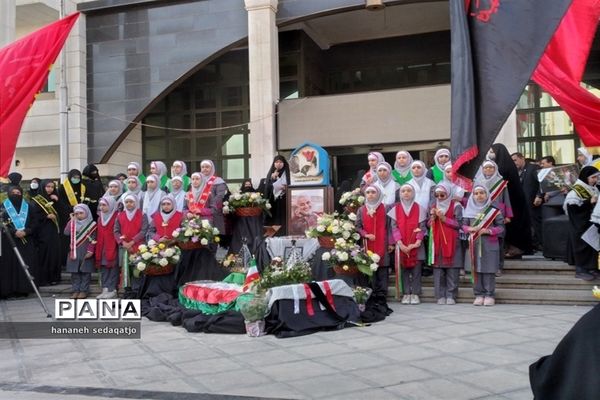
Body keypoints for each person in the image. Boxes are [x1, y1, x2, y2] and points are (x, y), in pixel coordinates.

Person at [462, 185, 505, 306]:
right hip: (473, 244)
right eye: (476, 193)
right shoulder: (468, 210)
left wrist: (489, 231)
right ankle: (478, 294)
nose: (479, 195)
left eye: (482, 193)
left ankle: (489, 294)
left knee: (489, 270)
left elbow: (501, 228)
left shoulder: (494, 211)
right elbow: (463, 226)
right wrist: (469, 228)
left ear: (487, 195)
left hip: (489, 244)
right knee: (475, 270)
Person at [490, 143, 532, 257]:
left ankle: (515, 249)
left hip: (512, 201)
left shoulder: (503, 166)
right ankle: (511, 248)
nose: (491, 154)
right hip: (511, 200)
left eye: (492, 151)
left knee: (513, 225)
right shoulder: (505, 164)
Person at [389, 183, 426, 305]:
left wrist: (417, 242)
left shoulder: (420, 208)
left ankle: (415, 293)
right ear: (400, 194)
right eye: (403, 191)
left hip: (417, 245)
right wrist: (400, 244)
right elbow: (394, 228)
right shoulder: (395, 209)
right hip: (401, 246)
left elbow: (422, 227)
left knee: (416, 271)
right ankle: (406, 293)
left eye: (409, 190)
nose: (406, 193)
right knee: (404, 270)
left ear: (413, 193)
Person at [141, 195, 183, 298]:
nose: (166, 206)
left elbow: (183, 231)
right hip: (159, 247)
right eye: (163, 204)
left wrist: (174, 240)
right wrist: (158, 238)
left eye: (168, 204)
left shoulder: (180, 216)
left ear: (173, 204)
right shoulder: (156, 216)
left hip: (176, 247)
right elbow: (150, 231)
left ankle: (173, 291)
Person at [428, 182, 463, 305]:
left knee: (452, 271)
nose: (439, 198)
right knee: (438, 271)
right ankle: (440, 296)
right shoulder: (433, 206)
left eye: (442, 195)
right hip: (438, 241)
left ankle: (451, 295)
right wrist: (432, 219)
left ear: (448, 194)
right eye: (437, 195)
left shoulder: (456, 206)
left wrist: (444, 219)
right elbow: (429, 225)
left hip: (452, 241)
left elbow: (459, 224)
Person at [0, 186, 38, 298]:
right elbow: (1, 223)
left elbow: (35, 222)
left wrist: (26, 231)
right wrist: (13, 231)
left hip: (26, 241)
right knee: (9, 265)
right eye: (13, 192)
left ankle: (23, 289)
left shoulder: (29, 207)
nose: (16, 194)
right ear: (8, 193)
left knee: (24, 264)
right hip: (9, 241)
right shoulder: (3, 206)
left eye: (18, 192)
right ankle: (9, 290)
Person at [564, 166, 600, 281]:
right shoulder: (576, 191)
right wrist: (589, 202)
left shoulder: (593, 188)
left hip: (591, 224)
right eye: (593, 177)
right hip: (579, 225)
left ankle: (592, 268)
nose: (595, 180)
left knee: (593, 246)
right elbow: (573, 211)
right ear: (585, 177)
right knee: (582, 247)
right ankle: (581, 270)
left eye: (597, 177)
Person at [355, 185, 389, 297]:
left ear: (378, 194)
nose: (370, 194)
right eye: (368, 192)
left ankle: (383, 294)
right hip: (367, 243)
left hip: (383, 242)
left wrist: (392, 243)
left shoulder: (386, 208)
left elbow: (390, 226)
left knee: (383, 268)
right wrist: (366, 235)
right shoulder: (361, 209)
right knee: (370, 267)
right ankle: (372, 293)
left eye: (373, 192)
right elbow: (358, 226)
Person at [114, 194, 148, 296]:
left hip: (138, 246)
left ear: (136, 203)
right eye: (127, 202)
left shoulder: (142, 215)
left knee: (137, 268)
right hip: (124, 247)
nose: (129, 204)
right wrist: (123, 243)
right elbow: (116, 231)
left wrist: (132, 242)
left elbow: (144, 230)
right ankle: (126, 290)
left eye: (131, 202)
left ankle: (137, 290)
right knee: (125, 268)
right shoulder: (120, 215)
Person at [30, 179, 62, 285]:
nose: (50, 189)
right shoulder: (37, 199)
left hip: (54, 230)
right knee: (46, 252)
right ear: (43, 187)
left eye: (52, 187)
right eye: (48, 187)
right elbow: (34, 215)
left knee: (54, 252)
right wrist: (46, 216)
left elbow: (62, 213)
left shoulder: (56, 198)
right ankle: (45, 278)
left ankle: (54, 277)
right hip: (43, 230)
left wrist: (57, 201)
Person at [64, 204, 97, 299]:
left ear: (86, 212)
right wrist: (71, 221)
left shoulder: (92, 225)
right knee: (75, 273)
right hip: (74, 251)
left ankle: (84, 290)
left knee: (85, 272)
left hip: (86, 250)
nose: (79, 215)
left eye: (81, 213)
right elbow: (66, 232)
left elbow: (94, 238)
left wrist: (91, 250)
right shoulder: (73, 223)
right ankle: (75, 290)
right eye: (76, 213)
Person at [511, 152, 542, 250]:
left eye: (515, 160)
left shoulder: (533, 168)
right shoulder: (517, 171)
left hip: (534, 202)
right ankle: (532, 244)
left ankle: (541, 244)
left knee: (535, 223)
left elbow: (542, 182)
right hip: (523, 204)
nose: (514, 163)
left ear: (522, 158)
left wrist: (539, 195)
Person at [95, 196, 120, 299]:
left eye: (104, 205)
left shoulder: (117, 216)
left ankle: (112, 289)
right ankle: (105, 288)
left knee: (113, 268)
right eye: (100, 205)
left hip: (113, 245)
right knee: (104, 267)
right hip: (102, 246)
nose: (102, 207)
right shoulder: (100, 217)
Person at [263, 155, 290, 234]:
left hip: (285, 200)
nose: (278, 164)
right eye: (277, 162)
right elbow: (267, 188)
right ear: (274, 164)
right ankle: (274, 235)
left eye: (281, 162)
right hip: (273, 201)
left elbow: (291, 185)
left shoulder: (287, 173)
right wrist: (272, 179)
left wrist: (286, 188)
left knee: (283, 218)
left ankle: (284, 233)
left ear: (284, 163)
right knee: (274, 219)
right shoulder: (271, 173)